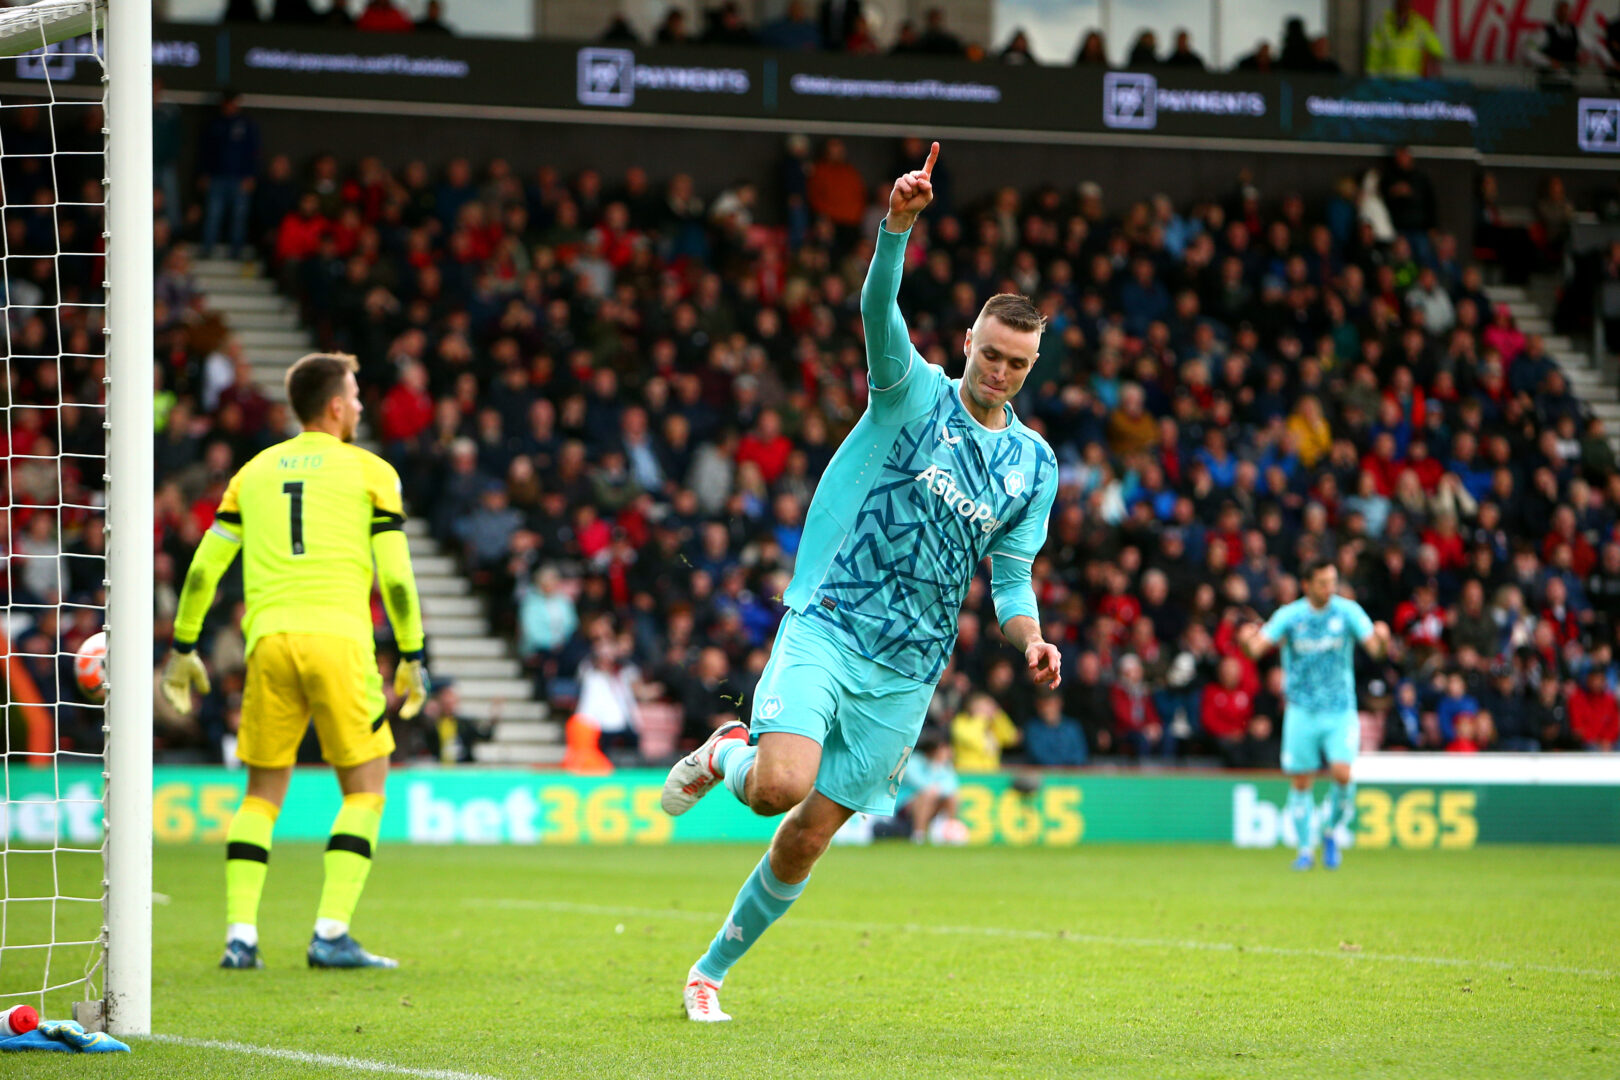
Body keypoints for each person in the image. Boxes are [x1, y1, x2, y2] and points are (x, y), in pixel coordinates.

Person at [658, 142, 1061, 1022]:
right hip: (830, 626)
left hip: (908, 673)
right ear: (968, 343)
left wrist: (1031, 640)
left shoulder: (1034, 465)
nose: (999, 372)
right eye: (990, 353)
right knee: (776, 788)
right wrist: (895, 232)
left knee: (807, 837)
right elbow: (877, 307)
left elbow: (1012, 578)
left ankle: (709, 971)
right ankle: (727, 749)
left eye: (1017, 364)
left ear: (1033, 368)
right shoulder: (909, 390)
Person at [160, 353, 429, 970]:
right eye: (356, 395)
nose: (360, 405)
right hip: (338, 640)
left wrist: (183, 647)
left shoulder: (253, 472)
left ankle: (241, 939)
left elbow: (202, 568)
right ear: (335, 405)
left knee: (260, 795)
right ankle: (330, 934)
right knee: (366, 788)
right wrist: (412, 653)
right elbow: (397, 579)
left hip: (269, 642)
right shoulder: (372, 471)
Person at [1239, 559, 1391, 871]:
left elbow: (1376, 651)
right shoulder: (1290, 616)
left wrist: (1384, 638)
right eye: (1322, 582)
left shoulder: (1347, 611)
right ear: (1306, 585)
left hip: (1339, 710)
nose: (1329, 588)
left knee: (1342, 774)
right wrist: (1244, 641)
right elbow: (1255, 650)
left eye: (1332, 581)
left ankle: (1331, 830)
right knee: (1301, 782)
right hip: (1301, 711)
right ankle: (1305, 850)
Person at [1365, 0, 1444, 78]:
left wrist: (1437, 59)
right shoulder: (1383, 25)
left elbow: (1436, 48)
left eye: (1406, 2)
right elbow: (1374, 54)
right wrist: (1372, 78)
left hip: (1410, 83)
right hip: (1388, 83)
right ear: (1395, 4)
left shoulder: (1419, 25)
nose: (1403, 4)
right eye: (1401, 2)